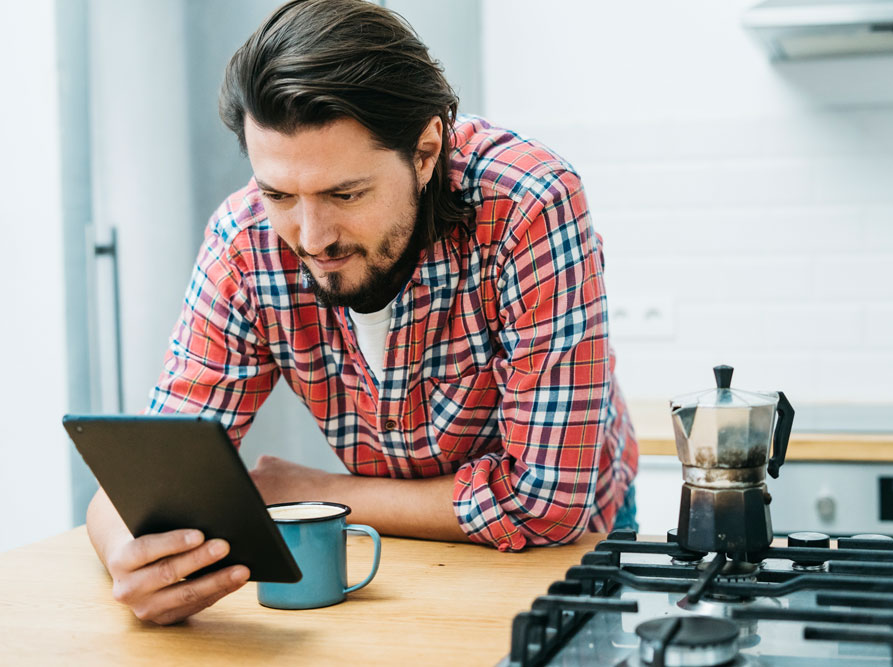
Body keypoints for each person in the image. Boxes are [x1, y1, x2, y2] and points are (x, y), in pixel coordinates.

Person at [85, 0, 638, 625]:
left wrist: (315, 492)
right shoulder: (243, 243)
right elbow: (149, 478)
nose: (313, 236)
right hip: (390, 549)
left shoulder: (530, 205)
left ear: (426, 151)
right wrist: (127, 552)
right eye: (279, 194)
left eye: (344, 193)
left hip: (566, 550)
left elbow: (547, 504)